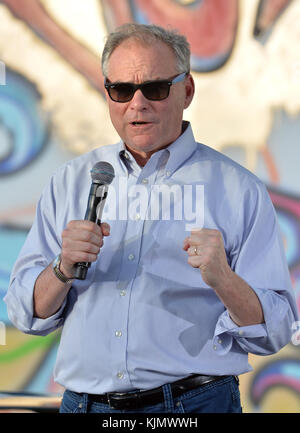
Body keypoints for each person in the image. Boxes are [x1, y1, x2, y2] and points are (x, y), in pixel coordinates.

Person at [4, 23, 298, 414]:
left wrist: (225, 280)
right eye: (122, 90)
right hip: (85, 406)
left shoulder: (237, 188)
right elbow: (25, 313)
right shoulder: (70, 181)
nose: (137, 104)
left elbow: (276, 331)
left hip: (197, 406)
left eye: (155, 89)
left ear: (187, 91)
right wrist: (61, 269)